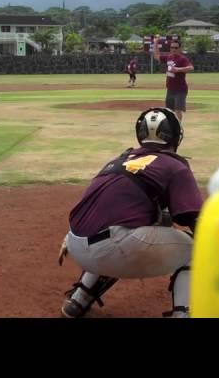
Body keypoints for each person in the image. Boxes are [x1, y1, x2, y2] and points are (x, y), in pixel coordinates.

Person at [58, 107, 203, 318]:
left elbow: (99, 203)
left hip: (74, 242)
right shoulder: (175, 165)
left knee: (131, 226)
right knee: (195, 249)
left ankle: (78, 300)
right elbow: (192, 219)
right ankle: (183, 314)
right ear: (175, 136)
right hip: (114, 248)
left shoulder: (120, 159)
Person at [152, 35, 193, 122]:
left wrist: (178, 69)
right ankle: (171, 127)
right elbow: (156, 56)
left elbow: (191, 68)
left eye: (176, 47)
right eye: (172, 47)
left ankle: (178, 128)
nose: (173, 49)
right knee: (169, 111)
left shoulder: (182, 59)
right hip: (170, 89)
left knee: (178, 110)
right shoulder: (169, 57)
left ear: (180, 49)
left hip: (180, 90)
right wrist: (156, 42)